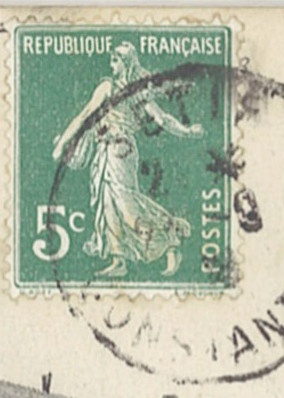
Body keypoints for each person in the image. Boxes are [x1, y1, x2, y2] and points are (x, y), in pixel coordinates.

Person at [51, 42, 202, 278]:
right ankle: (118, 259)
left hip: (122, 151)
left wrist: (187, 131)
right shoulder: (106, 87)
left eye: (116, 60)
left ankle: (170, 237)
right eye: (111, 60)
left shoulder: (137, 92)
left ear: (127, 63)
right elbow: (84, 115)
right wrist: (62, 144)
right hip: (103, 152)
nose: (112, 64)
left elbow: (161, 118)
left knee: (126, 205)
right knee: (107, 204)